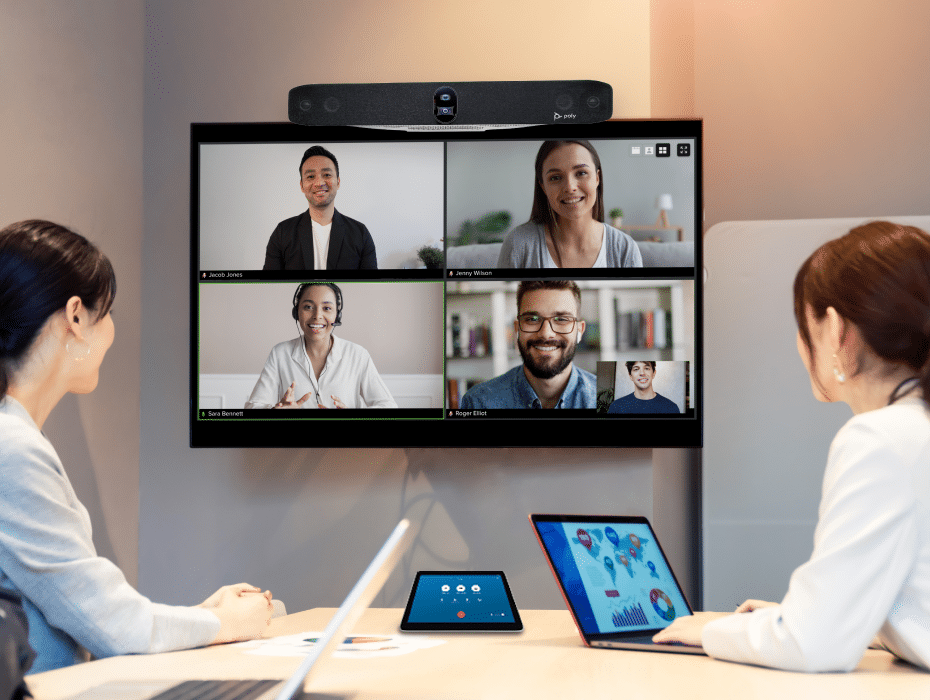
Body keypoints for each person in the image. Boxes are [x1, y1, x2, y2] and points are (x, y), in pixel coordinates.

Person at [653, 221, 930, 672]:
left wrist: (711, 631)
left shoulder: (880, 440)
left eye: (803, 324)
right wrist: (806, 619)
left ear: (837, 330)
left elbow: (814, 646)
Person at [0, 220, 274, 674]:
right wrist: (225, 622)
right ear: (75, 317)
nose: (110, 332)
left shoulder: (17, 439)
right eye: (105, 314)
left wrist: (205, 617)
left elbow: (88, 611)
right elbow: (114, 628)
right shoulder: (14, 450)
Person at [245, 283, 396, 409]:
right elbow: (253, 407)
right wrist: (276, 410)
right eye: (308, 307)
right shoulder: (280, 353)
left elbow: (388, 406)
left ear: (337, 316)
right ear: (296, 313)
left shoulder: (357, 354)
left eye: (327, 308)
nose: (317, 315)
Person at [496, 140, 642, 269]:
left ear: (597, 178)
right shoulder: (518, 244)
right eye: (555, 177)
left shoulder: (625, 248)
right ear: (543, 187)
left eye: (581, 173)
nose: (570, 187)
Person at [460, 281, 595, 409]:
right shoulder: (479, 402)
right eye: (532, 319)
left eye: (561, 319)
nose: (546, 334)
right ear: (517, 328)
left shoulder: (606, 400)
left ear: (580, 330)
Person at [263, 146, 378, 270]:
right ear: (302, 185)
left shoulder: (360, 233)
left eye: (327, 175)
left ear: (338, 182)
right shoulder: (283, 232)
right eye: (311, 176)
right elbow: (269, 286)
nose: (319, 183)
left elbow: (370, 288)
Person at [607, 361, 680, 413]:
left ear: (654, 373)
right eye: (636, 369)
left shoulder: (671, 408)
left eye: (646, 368)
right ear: (630, 376)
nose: (642, 373)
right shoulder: (617, 407)